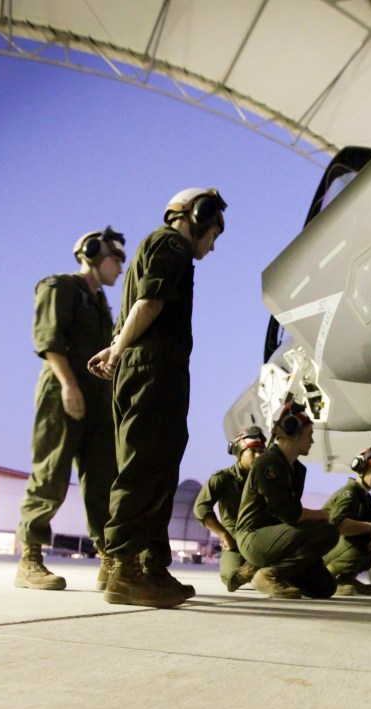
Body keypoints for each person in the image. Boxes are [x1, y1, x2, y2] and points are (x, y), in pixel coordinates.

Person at [87, 188, 226, 608]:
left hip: (140, 364)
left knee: (151, 462)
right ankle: (127, 568)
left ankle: (139, 565)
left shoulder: (151, 248)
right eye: (214, 233)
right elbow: (149, 302)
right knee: (147, 464)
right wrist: (118, 348)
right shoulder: (171, 244)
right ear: (198, 216)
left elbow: (136, 304)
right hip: (153, 367)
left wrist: (117, 344)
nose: (213, 245)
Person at [15, 227, 126, 591]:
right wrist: (68, 385)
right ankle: (30, 559)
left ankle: (108, 558)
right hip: (63, 391)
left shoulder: (100, 303)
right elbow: (48, 340)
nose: (120, 267)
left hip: (97, 400)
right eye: (116, 257)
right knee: (51, 472)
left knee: (101, 480)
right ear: (93, 253)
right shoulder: (59, 286)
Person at [234, 402, 339, 599]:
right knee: (328, 532)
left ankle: (261, 569)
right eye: (309, 435)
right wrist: (323, 515)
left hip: (277, 538)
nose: (312, 441)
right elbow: (290, 514)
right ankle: (268, 575)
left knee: (325, 587)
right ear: (293, 432)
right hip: (254, 537)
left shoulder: (297, 470)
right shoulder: (268, 464)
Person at [193, 426, 266, 591]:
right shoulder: (223, 479)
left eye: (261, 451)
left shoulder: (267, 480)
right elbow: (201, 507)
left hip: (261, 538)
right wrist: (223, 535)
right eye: (253, 451)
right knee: (230, 576)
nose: (259, 455)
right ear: (240, 453)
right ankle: (258, 569)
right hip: (235, 540)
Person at [323, 445, 371, 596]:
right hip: (321, 551)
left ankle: (347, 578)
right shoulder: (349, 494)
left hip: (332, 548)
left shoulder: (364, 497)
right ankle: (327, 578)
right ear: (362, 469)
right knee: (365, 536)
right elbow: (338, 526)